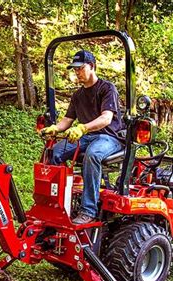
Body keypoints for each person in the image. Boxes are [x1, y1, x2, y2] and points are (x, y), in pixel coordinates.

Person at [40, 50, 125, 224]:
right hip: (87, 136)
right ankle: (56, 203)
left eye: (80, 68)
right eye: (75, 69)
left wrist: (83, 128)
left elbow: (106, 118)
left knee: (92, 155)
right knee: (53, 153)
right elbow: (67, 120)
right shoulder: (78, 95)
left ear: (92, 66)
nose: (77, 72)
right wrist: (55, 128)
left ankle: (88, 210)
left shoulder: (107, 88)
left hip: (109, 137)